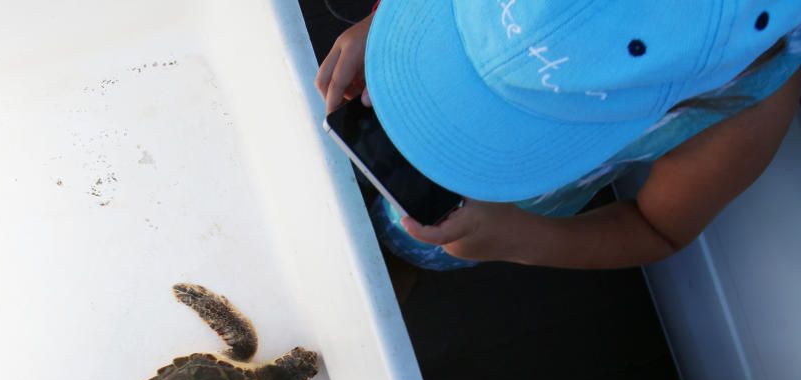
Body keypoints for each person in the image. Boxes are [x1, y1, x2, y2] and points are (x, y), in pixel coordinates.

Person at [315, 1, 801, 271]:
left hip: (506, 218)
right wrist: (389, 25)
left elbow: (657, 228)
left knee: (421, 244)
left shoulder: (748, 104)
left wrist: (515, 237)